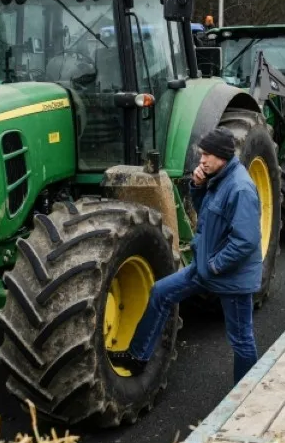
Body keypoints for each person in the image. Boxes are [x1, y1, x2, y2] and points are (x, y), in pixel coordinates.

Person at [109, 127, 263, 383]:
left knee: (241, 339)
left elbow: (245, 241)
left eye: (207, 154)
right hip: (205, 266)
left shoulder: (240, 188)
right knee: (160, 292)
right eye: (202, 154)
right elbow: (208, 214)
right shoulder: (220, 179)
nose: (201, 160)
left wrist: (214, 266)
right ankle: (137, 357)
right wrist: (198, 186)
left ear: (222, 156)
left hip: (231, 275)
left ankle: (246, 393)